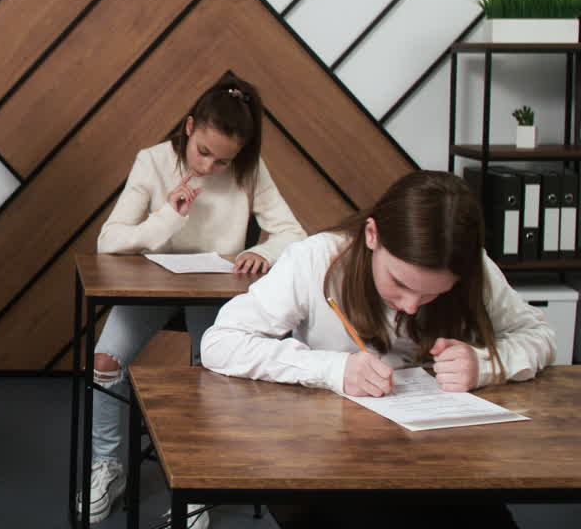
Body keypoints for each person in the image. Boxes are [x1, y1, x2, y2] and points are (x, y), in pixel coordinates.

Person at [202, 170, 555, 529]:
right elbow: (220, 341)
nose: (412, 306)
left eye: (434, 293)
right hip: (334, 459)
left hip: (446, 459)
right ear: (372, 235)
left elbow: (539, 335)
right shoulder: (316, 260)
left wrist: (485, 365)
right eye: (399, 283)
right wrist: (333, 370)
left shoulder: (473, 266)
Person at [81, 77, 306, 526]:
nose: (210, 165)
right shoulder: (153, 161)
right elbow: (109, 241)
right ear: (188, 127)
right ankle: (107, 466)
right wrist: (169, 217)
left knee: (215, 372)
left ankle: (199, 482)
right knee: (104, 361)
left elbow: (293, 235)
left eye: (224, 159)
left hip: (217, 290)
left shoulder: (250, 170)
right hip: (153, 285)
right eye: (204, 151)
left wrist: (259, 252)